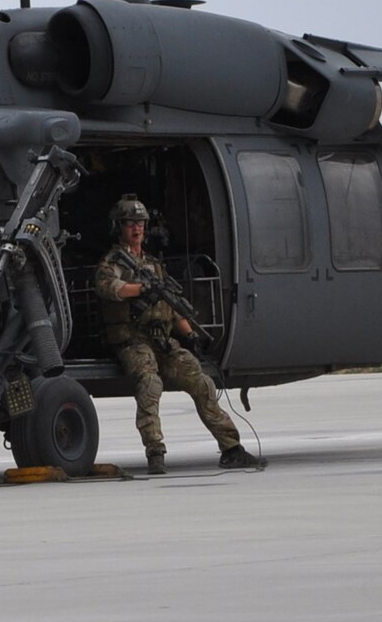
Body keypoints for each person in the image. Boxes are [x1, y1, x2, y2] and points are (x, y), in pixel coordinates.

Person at [95, 194, 263, 474]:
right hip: (133, 340)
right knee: (149, 384)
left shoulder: (153, 265)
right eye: (130, 223)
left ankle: (232, 448)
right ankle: (155, 453)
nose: (137, 229)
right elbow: (111, 289)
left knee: (201, 383)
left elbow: (172, 310)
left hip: (162, 339)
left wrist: (191, 336)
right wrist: (142, 290)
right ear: (119, 227)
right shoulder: (112, 263)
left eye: (141, 223)